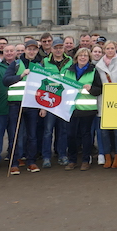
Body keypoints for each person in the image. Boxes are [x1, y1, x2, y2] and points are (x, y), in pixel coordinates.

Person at [2, 39, 42, 175]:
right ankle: (14, 162)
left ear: (37, 51)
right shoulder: (16, 63)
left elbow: (44, 86)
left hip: (32, 104)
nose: (32, 52)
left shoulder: (39, 65)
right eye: (29, 49)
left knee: (32, 135)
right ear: (25, 50)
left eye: (34, 49)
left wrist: (43, 106)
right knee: (14, 134)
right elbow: (6, 81)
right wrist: (21, 75)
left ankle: (31, 161)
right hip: (16, 104)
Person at [64, 48, 103, 170]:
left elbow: (99, 89)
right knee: (71, 135)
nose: (83, 57)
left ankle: (86, 160)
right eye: (81, 55)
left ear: (89, 58)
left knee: (86, 135)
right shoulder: (68, 71)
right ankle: (72, 160)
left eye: (85, 56)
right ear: (76, 57)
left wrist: (91, 88)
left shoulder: (93, 71)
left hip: (87, 109)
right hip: (72, 109)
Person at [41, 37, 72, 168]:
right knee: (48, 131)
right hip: (50, 102)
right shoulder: (44, 62)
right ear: (51, 49)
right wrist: (41, 106)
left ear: (64, 48)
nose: (58, 50)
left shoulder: (70, 61)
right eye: (56, 47)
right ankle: (46, 157)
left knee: (63, 130)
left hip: (64, 101)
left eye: (60, 47)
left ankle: (62, 155)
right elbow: (40, 82)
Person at [96, 41, 117, 168]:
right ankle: (107, 156)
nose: (110, 50)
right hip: (103, 101)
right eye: (107, 48)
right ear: (104, 50)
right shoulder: (98, 66)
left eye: (112, 48)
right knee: (104, 132)